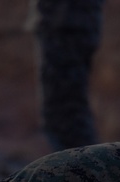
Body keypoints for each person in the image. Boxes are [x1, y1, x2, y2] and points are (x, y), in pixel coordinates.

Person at [27, 0, 103, 151]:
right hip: (65, 23)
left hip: (65, 25)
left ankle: (87, 170)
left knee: (66, 120)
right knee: (65, 116)